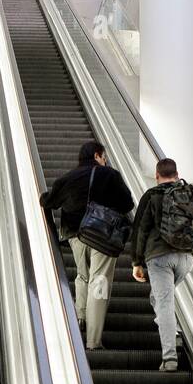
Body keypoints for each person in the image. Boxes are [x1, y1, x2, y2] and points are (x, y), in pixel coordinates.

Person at [40, 139, 134, 350]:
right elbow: (128, 203)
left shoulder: (68, 178)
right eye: (104, 156)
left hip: (76, 235)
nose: (105, 160)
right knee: (99, 281)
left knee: (83, 275)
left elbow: (49, 202)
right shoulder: (109, 175)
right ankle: (93, 340)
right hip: (103, 236)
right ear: (97, 156)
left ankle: (80, 317)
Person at [131, 156, 193, 372]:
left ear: (157, 176)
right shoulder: (191, 194)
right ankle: (172, 333)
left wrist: (136, 262)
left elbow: (141, 229)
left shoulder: (152, 195)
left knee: (164, 302)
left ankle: (169, 358)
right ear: (177, 174)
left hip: (159, 258)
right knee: (158, 297)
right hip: (187, 258)